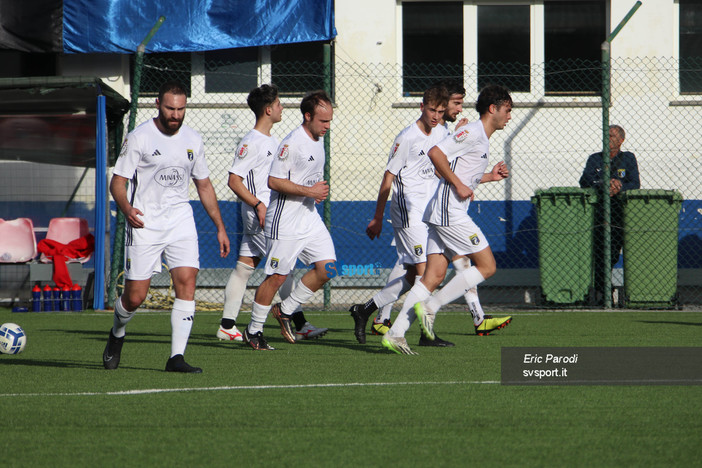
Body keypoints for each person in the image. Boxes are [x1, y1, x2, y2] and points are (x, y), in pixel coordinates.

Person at [103, 81, 231, 372]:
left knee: (186, 281)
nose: (176, 114)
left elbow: (204, 185)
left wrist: (220, 227)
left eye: (181, 109)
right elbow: (118, 182)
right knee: (135, 297)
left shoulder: (193, 139)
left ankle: (176, 357)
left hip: (180, 220)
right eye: (170, 108)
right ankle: (117, 333)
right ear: (157, 103)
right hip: (145, 221)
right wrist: (127, 209)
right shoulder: (139, 138)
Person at [382, 84, 514, 355]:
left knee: (433, 276)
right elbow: (436, 154)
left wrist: (488, 176)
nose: (509, 116)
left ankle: (395, 334)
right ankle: (431, 306)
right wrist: (458, 185)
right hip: (448, 212)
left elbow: (458, 169)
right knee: (487, 266)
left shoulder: (480, 137)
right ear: (493, 109)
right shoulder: (473, 132)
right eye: (508, 110)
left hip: (444, 211)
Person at [216, 84, 328, 344]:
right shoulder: (252, 142)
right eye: (278, 104)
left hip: (267, 212)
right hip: (264, 214)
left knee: (245, 267)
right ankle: (295, 323)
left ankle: (227, 325)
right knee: (281, 270)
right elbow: (234, 180)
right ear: (268, 109)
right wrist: (257, 205)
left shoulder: (274, 141)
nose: (282, 108)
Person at [349, 86, 453, 347]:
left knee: (411, 277)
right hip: (408, 211)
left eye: (440, 112)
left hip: (429, 212)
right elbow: (388, 178)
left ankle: (364, 310)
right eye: (431, 110)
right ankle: (418, 333)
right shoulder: (407, 137)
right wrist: (377, 217)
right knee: (425, 272)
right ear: (421, 107)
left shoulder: (442, 132)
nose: (435, 116)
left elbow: (441, 170)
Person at [242, 90, 336, 350]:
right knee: (277, 278)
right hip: (284, 220)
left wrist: (314, 193)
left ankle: (286, 310)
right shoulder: (291, 142)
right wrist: (310, 191)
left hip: (308, 217)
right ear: (307, 116)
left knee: (328, 268)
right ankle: (253, 331)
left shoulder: (318, 139)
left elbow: (306, 179)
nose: (328, 126)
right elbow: (273, 181)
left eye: (330, 121)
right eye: (323, 121)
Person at [579, 125, 640, 304]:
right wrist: (603, 184)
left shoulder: (628, 158)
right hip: (598, 213)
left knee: (613, 252)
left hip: (619, 213)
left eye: (612, 136)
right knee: (599, 253)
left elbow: (635, 183)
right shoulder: (595, 159)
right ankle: (602, 291)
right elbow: (585, 180)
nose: (608, 138)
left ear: (621, 140)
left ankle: (607, 290)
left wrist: (619, 186)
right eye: (606, 135)